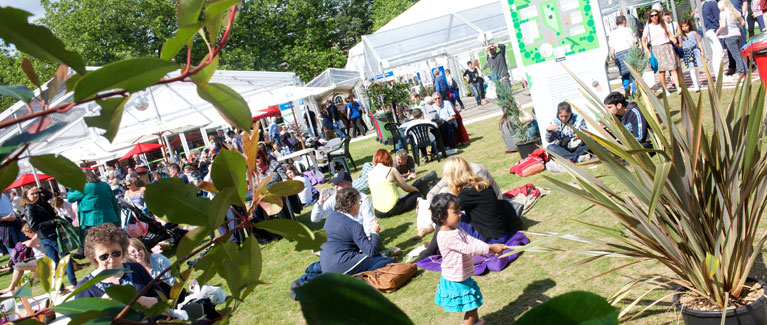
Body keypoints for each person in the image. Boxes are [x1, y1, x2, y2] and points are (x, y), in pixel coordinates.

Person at [430, 193, 504, 325]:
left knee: (473, 302)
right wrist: (490, 248)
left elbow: (470, 240)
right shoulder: (445, 237)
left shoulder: (455, 228)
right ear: (441, 216)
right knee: (471, 305)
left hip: (462, 274)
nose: (460, 214)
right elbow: (467, 248)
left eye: (459, 211)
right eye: (455, 212)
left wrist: (490, 248)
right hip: (455, 278)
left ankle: (475, 322)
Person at [75, 224, 160, 310]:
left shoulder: (136, 269)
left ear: (122, 250)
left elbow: (162, 299)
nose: (111, 260)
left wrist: (142, 301)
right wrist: (101, 306)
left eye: (116, 254)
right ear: (94, 256)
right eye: (104, 257)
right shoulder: (85, 287)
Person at [319, 187, 394, 274]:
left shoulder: (332, 216)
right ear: (351, 204)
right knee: (387, 261)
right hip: (342, 266)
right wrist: (374, 233)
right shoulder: (354, 226)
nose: (359, 205)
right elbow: (371, 252)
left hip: (326, 268)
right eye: (359, 202)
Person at [24, 186, 78, 289]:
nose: (35, 195)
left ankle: (63, 287)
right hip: (48, 235)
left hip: (48, 235)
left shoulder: (40, 202)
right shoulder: (30, 208)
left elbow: (49, 195)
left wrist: (40, 189)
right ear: (26, 196)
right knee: (64, 258)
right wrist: (52, 222)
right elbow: (34, 226)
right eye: (32, 194)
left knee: (56, 261)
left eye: (36, 193)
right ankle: (72, 283)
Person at [67, 169, 121, 255]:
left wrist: (72, 186)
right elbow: (114, 202)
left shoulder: (84, 187)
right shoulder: (105, 185)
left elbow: (70, 198)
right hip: (110, 217)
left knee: (98, 243)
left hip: (92, 220)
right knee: (112, 241)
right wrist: (118, 219)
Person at [311, 171, 376, 236]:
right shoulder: (333, 198)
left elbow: (368, 221)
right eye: (334, 184)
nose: (335, 187)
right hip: (340, 236)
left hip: (357, 235)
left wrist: (367, 238)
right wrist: (320, 203)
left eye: (338, 184)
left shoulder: (363, 198)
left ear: (349, 184)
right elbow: (315, 219)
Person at [368, 149, 420, 218]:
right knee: (417, 195)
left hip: (378, 213)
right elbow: (406, 188)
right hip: (394, 208)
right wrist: (416, 189)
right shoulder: (391, 170)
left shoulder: (370, 174)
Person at [642, 8, 681, 95]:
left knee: (673, 68)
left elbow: (669, 35)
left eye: (656, 15)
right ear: (650, 17)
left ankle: (678, 87)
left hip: (667, 47)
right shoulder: (648, 27)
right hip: (657, 49)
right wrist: (647, 50)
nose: (654, 17)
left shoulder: (664, 24)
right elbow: (643, 40)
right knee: (662, 71)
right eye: (652, 16)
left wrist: (674, 40)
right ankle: (666, 89)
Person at [0, 224, 45, 294]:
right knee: (20, 265)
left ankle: (11, 289)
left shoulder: (38, 236)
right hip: (39, 259)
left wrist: (23, 243)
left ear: (31, 231)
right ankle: (20, 290)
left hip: (43, 261)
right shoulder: (36, 236)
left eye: (26, 234)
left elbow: (30, 243)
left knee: (18, 266)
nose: (26, 236)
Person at [717, 0, 747, 80]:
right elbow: (743, 22)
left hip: (729, 36)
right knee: (739, 54)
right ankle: (746, 71)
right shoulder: (734, 11)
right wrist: (737, 26)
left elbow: (723, 25)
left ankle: (741, 73)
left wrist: (718, 32)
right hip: (737, 34)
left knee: (736, 55)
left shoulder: (723, 13)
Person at [609, 15, 638, 96]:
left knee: (624, 73)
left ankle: (626, 86)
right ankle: (635, 91)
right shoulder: (628, 30)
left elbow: (612, 49)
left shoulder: (612, 33)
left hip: (619, 54)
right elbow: (633, 43)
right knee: (633, 73)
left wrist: (614, 58)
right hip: (629, 51)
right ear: (624, 22)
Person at [700, 0, 726, 76]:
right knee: (719, 52)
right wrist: (718, 27)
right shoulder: (712, 3)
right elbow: (716, 17)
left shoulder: (705, 4)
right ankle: (720, 75)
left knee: (715, 54)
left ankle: (717, 74)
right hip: (714, 30)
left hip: (709, 30)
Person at [679, 19, 705, 91]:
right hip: (688, 53)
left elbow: (699, 42)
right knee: (692, 69)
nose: (684, 28)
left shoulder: (694, 33)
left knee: (696, 68)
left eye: (686, 26)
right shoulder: (681, 35)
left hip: (695, 51)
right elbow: (681, 45)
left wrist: (702, 51)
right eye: (683, 26)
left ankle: (698, 82)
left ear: (689, 26)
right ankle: (695, 84)